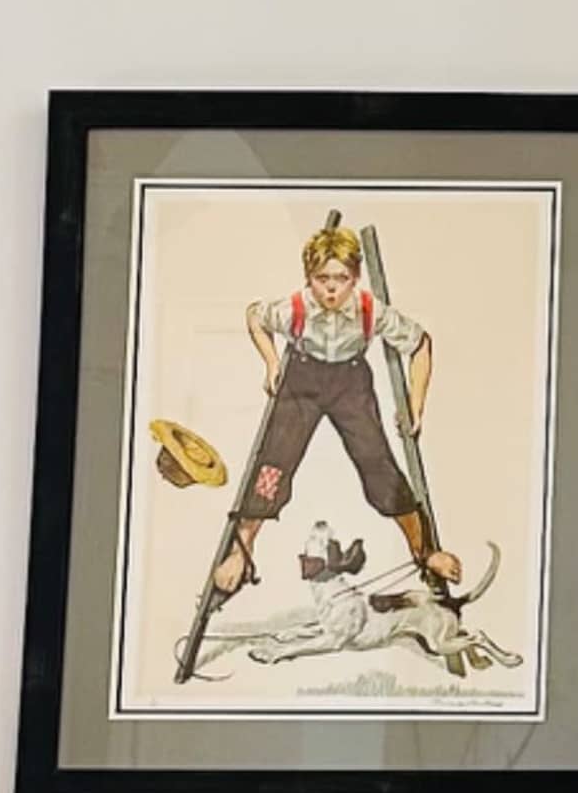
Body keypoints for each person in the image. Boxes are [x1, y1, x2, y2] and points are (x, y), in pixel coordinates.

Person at [187, 217, 459, 653]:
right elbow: (254, 316)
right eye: (322, 279)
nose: (332, 289)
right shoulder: (293, 307)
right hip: (302, 380)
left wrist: (415, 403)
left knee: (379, 468)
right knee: (273, 466)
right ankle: (241, 551)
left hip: (351, 382)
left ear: (355, 278)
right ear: (308, 278)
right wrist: (272, 364)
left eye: (342, 279)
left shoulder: (371, 310)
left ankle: (424, 553)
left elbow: (421, 344)